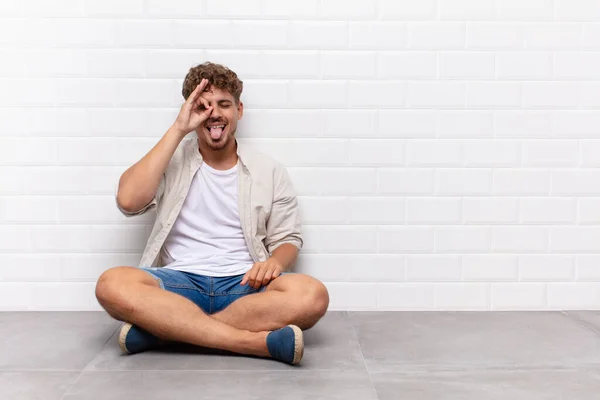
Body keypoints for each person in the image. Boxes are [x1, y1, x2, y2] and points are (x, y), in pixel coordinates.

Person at [95, 62, 329, 365]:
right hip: (179, 284)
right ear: (190, 109)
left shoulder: (268, 170)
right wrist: (179, 128)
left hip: (244, 285)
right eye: (203, 106)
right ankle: (252, 343)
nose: (214, 113)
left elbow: (288, 239)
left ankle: (169, 331)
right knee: (110, 284)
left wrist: (273, 262)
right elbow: (128, 201)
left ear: (239, 110)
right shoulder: (171, 159)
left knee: (312, 295)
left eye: (223, 104)